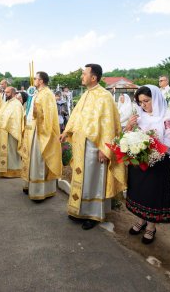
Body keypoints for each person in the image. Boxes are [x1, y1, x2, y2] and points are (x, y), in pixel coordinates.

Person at [60, 64, 126, 230]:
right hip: (80, 144)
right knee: (81, 177)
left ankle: (94, 215)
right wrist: (66, 131)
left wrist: (106, 149)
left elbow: (109, 124)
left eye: (84, 74)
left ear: (93, 77)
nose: (82, 76)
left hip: (95, 146)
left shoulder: (104, 96)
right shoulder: (86, 94)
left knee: (94, 179)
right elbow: (76, 116)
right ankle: (79, 210)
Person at [123, 85, 170, 243]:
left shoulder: (168, 117)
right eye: (140, 102)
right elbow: (128, 137)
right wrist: (129, 127)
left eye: (146, 101)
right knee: (139, 192)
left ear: (156, 98)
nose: (143, 105)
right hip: (139, 163)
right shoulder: (139, 116)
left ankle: (151, 227)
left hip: (157, 164)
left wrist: (150, 145)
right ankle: (141, 220)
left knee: (152, 195)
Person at [21, 71, 62, 201]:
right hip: (33, 129)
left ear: (41, 81)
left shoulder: (48, 94)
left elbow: (48, 115)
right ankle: (30, 185)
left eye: (36, 78)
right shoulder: (37, 93)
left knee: (39, 159)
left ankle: (40, 191)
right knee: (32, 158)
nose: (34, 80)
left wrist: (35, 111)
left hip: (42, 131)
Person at [0, 87, 24, 178]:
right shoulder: (6, 103)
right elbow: (0, 115)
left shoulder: (17, 104)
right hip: (3, 131)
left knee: (11, 152)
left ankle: (14, 171)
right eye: (5, 92)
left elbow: (16, 119)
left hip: (12, 132)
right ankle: (3, 170)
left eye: (7, 92)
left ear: (13, 93)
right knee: (4, 151)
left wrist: (6, 124)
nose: (6, 94)